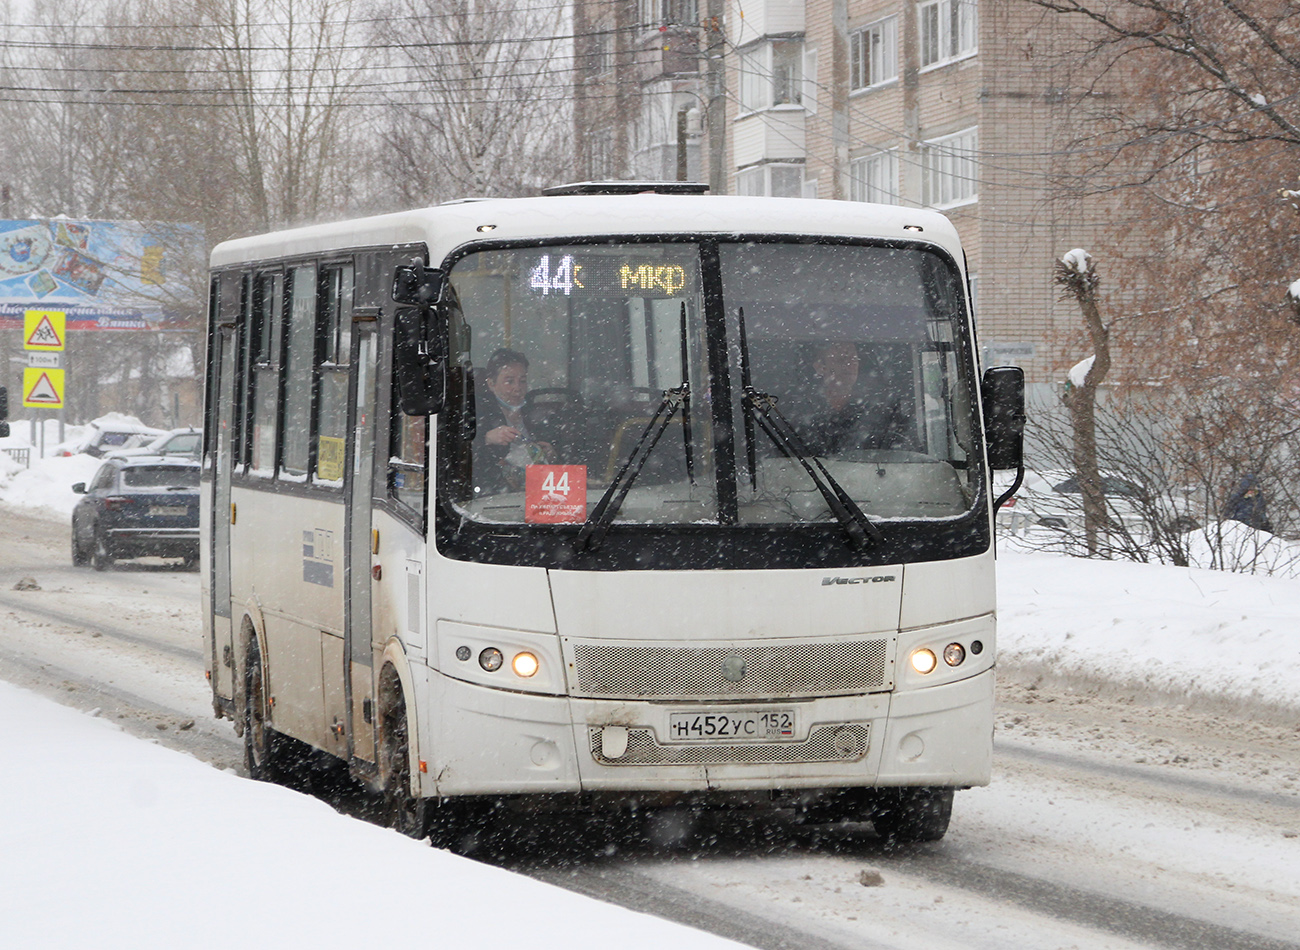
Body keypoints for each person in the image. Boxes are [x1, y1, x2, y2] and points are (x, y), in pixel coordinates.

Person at [790, 341, 911, 456]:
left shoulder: (878, 409)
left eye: (854, 359)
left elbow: (896, 454)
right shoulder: (800, 409)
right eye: (841, 360)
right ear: (820, 367)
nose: (850, 365)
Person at [475, 348, 554, 492]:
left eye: (522, 381)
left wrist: (549, 454)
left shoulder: (535, 414)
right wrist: (486, 438)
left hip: (539, 494)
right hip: (496, 497)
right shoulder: (477, 413)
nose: (518, 388)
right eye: (509, 381)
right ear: (491, 384)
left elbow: (558, 451)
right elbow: (457, 452)